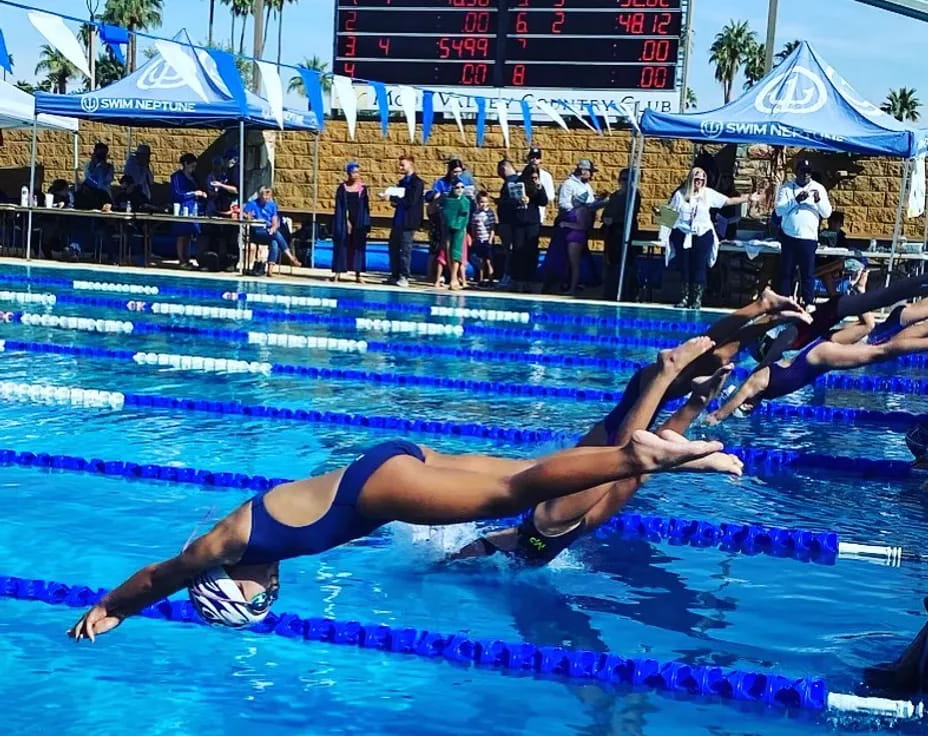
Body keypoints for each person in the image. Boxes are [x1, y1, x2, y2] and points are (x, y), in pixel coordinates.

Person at [68, 429, 741, 638]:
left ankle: (641, 456)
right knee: (523, 476)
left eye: (260, 600)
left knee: (519, 489)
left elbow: (162, 576)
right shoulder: (244, 542)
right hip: (384, 467)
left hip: (380, 489)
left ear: (232, 587)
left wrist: (112, 608)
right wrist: (116, 609)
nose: (272, 593)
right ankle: (650, 455)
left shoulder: (224, 547)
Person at [454, 289, 802, 565]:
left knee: (635, 455)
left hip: (556, 518)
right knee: (642, 460)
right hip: (555, 520)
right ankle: (758, 313)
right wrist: (697, 401)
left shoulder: (551, 518)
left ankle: (758, 310)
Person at [709, 298, 928, 423]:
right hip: (816, 354)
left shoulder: (757, 379)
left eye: (745, 407)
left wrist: (717, 417)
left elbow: (733, 400)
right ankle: (860, 297)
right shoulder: (764, 386)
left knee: (880, 350)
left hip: (818, 357)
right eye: (747, 409)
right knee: (878, 336)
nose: (748, 406)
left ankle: (860, 299)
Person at [665, 167, 759, 310]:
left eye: (702, 179)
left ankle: (696, 299)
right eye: (697, 179)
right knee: (685, 266)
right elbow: (669, 214)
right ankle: (684, 297)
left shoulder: (707, 194)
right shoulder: (680, 195)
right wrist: (663, 232)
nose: (700, 181)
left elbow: (727, 201)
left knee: (699, 267)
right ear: (691, 179)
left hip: (703, 234)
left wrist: (747, 197)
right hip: (683, 234)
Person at [776, 159, 833, 307]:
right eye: (803, 172)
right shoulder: (787, 188)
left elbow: (827, 213)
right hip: (789, 237)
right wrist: (796, 200)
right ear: (797, 172)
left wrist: (818, 201)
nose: (806, 176)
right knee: (786, 272)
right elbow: (779, 210)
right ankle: (785, 301)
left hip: (808, 238)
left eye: (808, 173)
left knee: (807, 273)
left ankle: (809, 302)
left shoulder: (818, 188)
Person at [383, 154, 424, 288]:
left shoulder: (417, 183)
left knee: (405, 249)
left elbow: (410, 201)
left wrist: (393, 199)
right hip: (398, 220)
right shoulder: (402, 182)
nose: (400, 167)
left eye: (403, 165)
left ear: (411, 164)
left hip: (409, 221)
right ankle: (394, 274)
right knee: (393, 247)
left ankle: (404, 275)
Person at [602, 168, 642, 302]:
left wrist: (614, 220)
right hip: (613, 234)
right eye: (623, 179)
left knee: (626, 264)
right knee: (612, 263)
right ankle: (611, 292)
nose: (625, 182)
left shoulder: (634, 195)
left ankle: (627, 292)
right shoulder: (614, 196)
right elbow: (606, 213)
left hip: (626, 233)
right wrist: (607, 219)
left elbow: (631, 213)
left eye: (628, 179)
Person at [244, 186, 301, 277]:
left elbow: (275, 221)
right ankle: (291, 257)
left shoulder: (272, 205)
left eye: (268, 195)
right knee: (276, 235)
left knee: (275, 241)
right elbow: (244, 214)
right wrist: (248, 216)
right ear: (260, 195)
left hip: (269, 232)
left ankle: (269, 271)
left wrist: (273, 228)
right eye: (264, 195)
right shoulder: (252, 204)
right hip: (256, 232)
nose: (266, 197)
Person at [510, 163, 548, 293]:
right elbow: (508, 202)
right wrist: (518, 200)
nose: (533, 180)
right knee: (519, 251)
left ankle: (529, 279)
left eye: (535, 177)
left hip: (532, 223)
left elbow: (543, 201)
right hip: (519, 223)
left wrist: (539, 187)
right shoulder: (517, 183)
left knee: (531, 252)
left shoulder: (536, 187)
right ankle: (518, 280)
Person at [331, 162, 370, 283]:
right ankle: (338, 273)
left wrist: (367, 225)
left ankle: (358, 274)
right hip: (344, 220)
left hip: (358, 220)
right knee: (341, 245)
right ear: (348, 173)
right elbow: (340, 207)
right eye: (354, 172)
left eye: (358, 172)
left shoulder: (362, 189)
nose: (356, 175)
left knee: (358, 246)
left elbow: (365, 208)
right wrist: (345, 221)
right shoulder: (342, 188)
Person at [170, 153, 208, 269]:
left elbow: (200, 188)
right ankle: (182, 260)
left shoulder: (194, 177)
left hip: (193, 208)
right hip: (182, 207)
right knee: (182, 234)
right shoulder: (177, 177)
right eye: (191, 166)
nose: (193, 169)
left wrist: (202, 194)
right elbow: (177, 193)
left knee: (189, 234)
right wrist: (193, 194)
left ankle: (187, 258)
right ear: (185, 164)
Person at [439, 180, 472, 291]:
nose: (459, 190)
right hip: (448, 229)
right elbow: (444, 214)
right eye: (457, 187)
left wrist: (465, 231)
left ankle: (454, 278)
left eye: (462, 187)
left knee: (457, 253)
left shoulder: (466, 201)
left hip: (460, 229)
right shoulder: (447, 201)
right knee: (448, 251)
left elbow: (465, 217)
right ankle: (453, 276)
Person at [494, 159, 519, 288]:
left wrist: (501, 203)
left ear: (504, 169)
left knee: (508, 250)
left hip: (508, 223)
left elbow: (511, 202)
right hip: (510, 222)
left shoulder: (511, 182)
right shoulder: (515, 181)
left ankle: (508, 276)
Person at [470, 191, 496, 286]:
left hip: (487, 239)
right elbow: (473, 227)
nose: (484, 204)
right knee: (480, 261)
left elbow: (492, 227)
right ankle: (481, 279)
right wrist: (474, 238)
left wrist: (490, 239)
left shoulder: (489, 213)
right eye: (481, 202)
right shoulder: (475, 214)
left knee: (489, 260)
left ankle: (490, 279)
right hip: (478, 239)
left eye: (485, 202)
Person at [526, 147, 555, 225]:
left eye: (537, 157)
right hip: (522, 215)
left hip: (538, 215)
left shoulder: (546, 176)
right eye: (532, 157)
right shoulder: (520, 175)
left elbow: (550, 196)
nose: (535, 159)